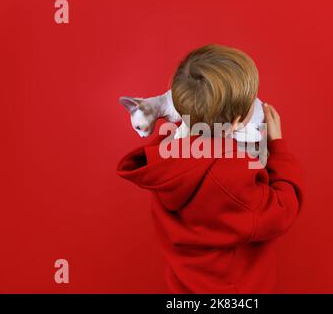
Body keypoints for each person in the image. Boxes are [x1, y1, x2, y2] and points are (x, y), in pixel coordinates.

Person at [117, 44, 304, 293]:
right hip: (234, 291)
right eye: (252, 103)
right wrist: (278, 148)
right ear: (236, 123)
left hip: (186, 285)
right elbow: (280, 211)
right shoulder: (231, 175)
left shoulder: (166, 152)